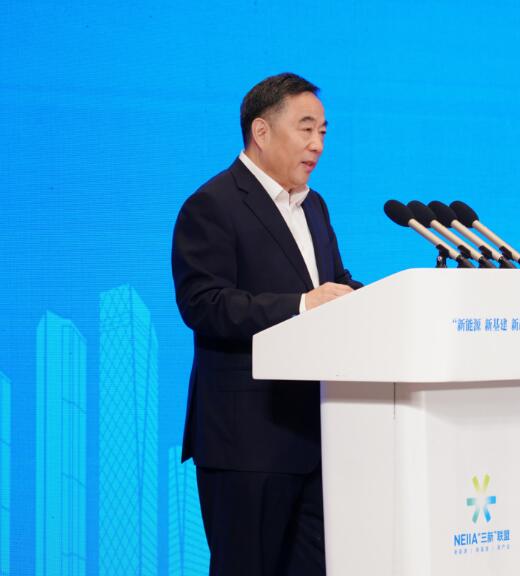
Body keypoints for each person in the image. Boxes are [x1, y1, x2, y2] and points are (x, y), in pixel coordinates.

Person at [171, 72, 361, 576]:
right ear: (261, 131)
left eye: (323, 131)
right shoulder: (213, 204)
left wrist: (375, 300)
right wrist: (300, 305)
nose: (318, 144)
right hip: (246, 443)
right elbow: (204, 303)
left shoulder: (314, 206)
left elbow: (333, 282)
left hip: (315, 439)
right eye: (306, 128)